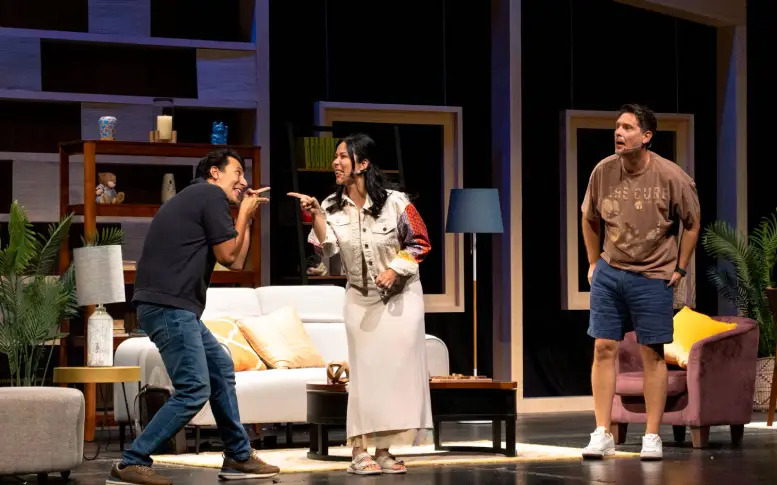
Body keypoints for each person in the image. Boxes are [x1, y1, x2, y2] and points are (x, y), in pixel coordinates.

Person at [108, 149, 279, 485]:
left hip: (172, 306)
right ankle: (132, 461)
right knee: (195, 388)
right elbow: (228, 254)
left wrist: (246, 218)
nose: (243, 181)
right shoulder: (209, 195)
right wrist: (243, 213)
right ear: (215, 172)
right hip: (169, 306)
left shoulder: (198, 198)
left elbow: (236, 262)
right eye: (237, 173)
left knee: (220, 367)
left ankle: (238, 456)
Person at [288, 133, 433, 475]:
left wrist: (394, 270)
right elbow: (327, 252)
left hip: (401, 299)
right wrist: (317, 215)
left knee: (394, 375)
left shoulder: (396, 203)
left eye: (343, 156)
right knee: (365, 377)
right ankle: (358, 451)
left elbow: (420, 242)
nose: (335, 162)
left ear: (363, 163)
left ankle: (384, 451)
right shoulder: (330, 205)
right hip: (360, 298)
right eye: (335, 156)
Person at [580, 104, 701, 461]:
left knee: (652, 353)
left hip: (653, 274)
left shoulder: (671, 176)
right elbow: (589, 216)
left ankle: (651, 435)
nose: (619, 133)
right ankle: (602, 432)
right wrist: (593, 262)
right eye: (617, 127)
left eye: (628, 127)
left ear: (646, 136)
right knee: (603, 347)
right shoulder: (603, 171)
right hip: (610, 271)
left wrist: (680, 268)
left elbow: (692, 222)